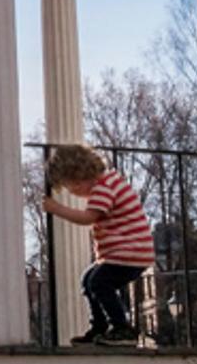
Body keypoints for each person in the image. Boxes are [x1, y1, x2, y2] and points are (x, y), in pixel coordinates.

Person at [40, 144, 156, 346]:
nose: (74, 192)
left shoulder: (105, 186)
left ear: (82, 174)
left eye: (73, 186)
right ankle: (100, 327)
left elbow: (88, 217)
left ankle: (122, 328)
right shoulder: (108, 183)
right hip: (123, 253)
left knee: (99, 282)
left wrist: (56, 209)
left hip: (129, 252)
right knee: (89, 280)